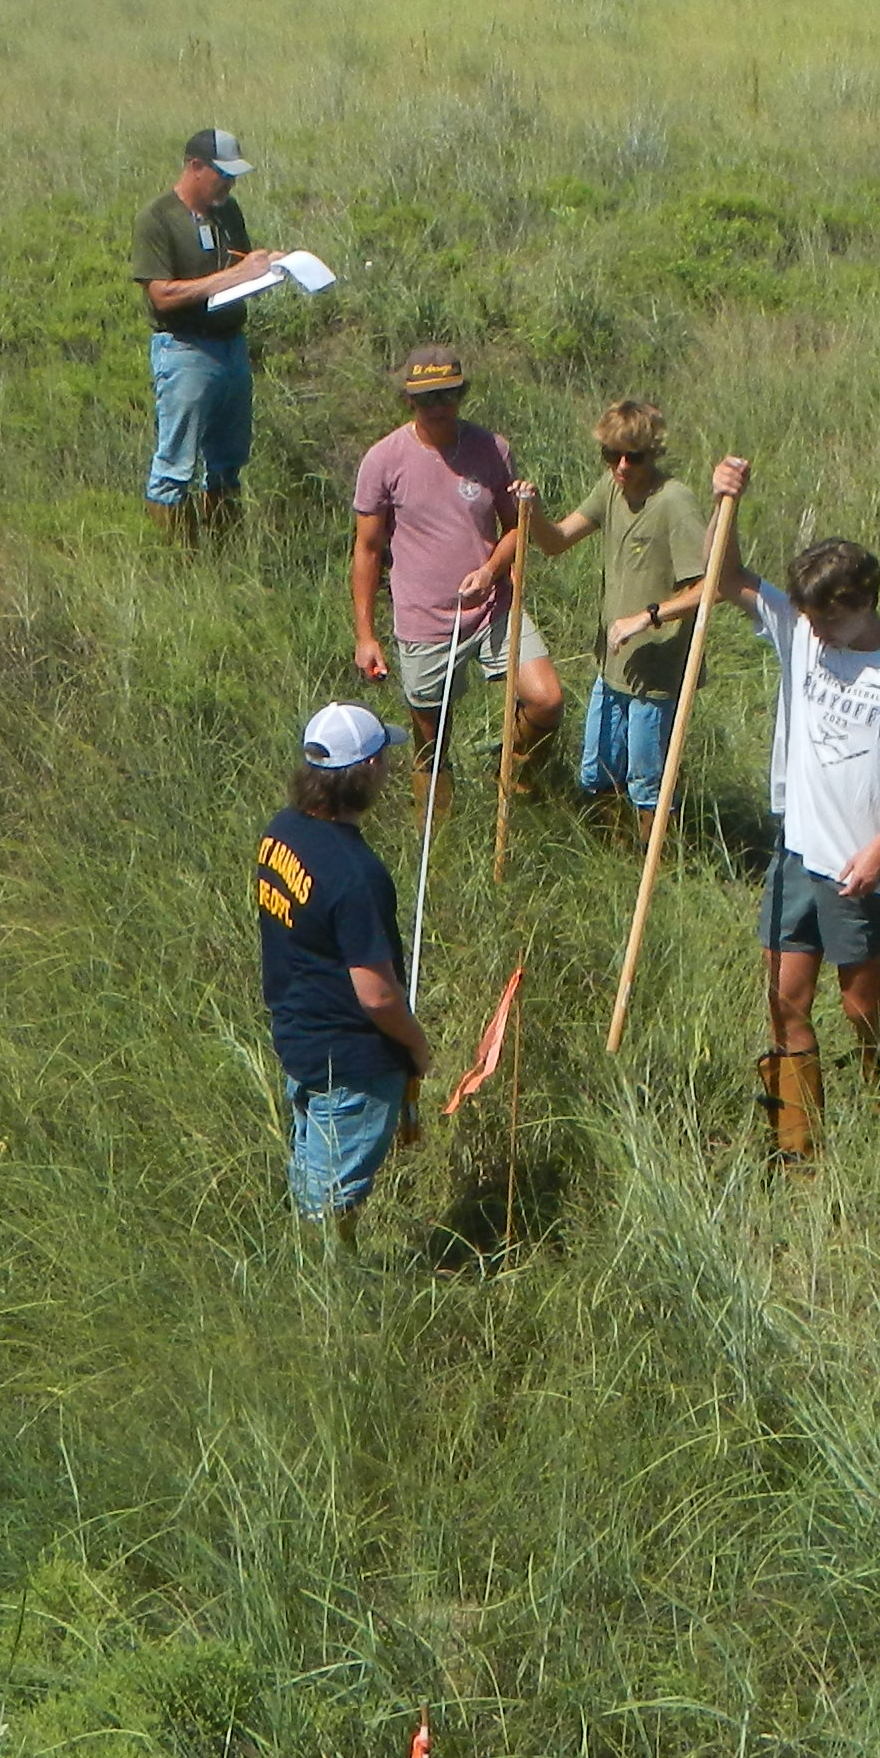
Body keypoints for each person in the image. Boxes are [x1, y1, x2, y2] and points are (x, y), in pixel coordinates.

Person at [700, 454, 880, 1163]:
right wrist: (730, 503)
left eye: (827, 621)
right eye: (807, 619)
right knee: (785, 1004)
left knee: (861, 1008)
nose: (815, 634)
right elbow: (729, 581)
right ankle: (796, 1150)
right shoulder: (803, 631)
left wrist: (878, 850)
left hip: (863, 869)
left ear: (860, 604)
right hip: (796, 854)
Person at [256, 702, 431, 1232]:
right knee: (330, 1209)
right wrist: (417, 1049)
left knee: (313, 1179)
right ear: (370, 769)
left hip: (300, 1041)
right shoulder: (357, 874)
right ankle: (326, 1299)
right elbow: (376, 995)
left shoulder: (280, 833)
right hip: (351, 1063)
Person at [349, 346, 559, 786]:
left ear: (462, 395)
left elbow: (516, 527)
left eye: (446, 396)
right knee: (432, 745)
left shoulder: (491, 449)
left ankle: (513, 774)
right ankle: (435, 835)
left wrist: (491, 570)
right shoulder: (384, 460)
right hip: (425, 620)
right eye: (426, 398)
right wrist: (366, 636)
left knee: (546, 700)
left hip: (493, 608)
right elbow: (367, 549)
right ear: (409, 401)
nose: (437, 407)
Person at [533, 400, 717, 834]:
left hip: (656, 669)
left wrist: (648, 617)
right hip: (613, 663)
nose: (620, 466)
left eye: (632, 457)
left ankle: (653, 866)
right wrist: (532, 510)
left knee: (647, 782)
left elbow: (711, 587)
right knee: (597, 772)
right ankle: (612, 847)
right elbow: (556, 541)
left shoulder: (676, 502)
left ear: (653, 453)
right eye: (611, 455)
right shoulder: (611, 489)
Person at [131, 128, 292, 544]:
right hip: (185, 350)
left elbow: (238, 265)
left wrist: (269, 267)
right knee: (175, 466)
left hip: (231, 348)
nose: (230, 183)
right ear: (194, 167)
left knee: (228, 462)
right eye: (223, 174)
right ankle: (175, 560)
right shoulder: (157, 218)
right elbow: (162, 296)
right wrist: (233, 277)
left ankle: (224, 552)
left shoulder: (227, 211)